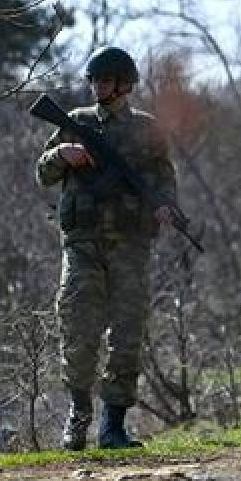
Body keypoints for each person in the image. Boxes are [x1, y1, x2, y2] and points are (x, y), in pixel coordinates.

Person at [36, 46, 178, 450]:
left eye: (107, 80)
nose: (99, 87)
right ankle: (77, 418)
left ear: (125, 84)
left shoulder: (148, 130)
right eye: (95, 80)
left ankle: (113, 427)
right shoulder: (75, 123)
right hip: (82, 245)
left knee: (127, 335)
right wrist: (61, 154)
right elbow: (42, 174)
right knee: (78, 330)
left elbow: (165, 179)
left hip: (132, 246)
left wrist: (167, 207)